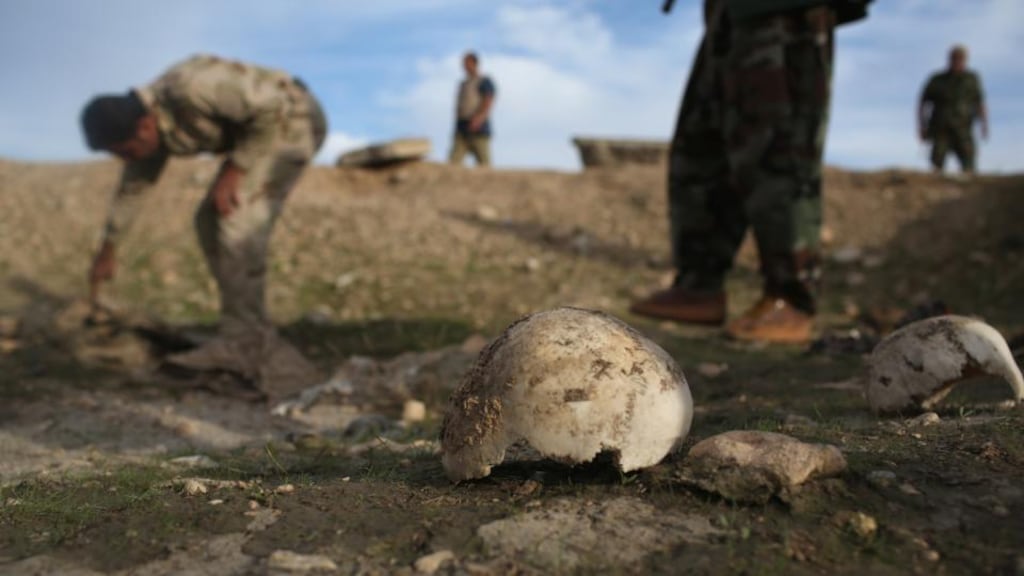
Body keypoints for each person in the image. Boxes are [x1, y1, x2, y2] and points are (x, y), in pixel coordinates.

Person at [631, 0, 871, 344]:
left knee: (778, 149)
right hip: (728, 13)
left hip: (786, 11)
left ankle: (791, 298)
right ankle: (699, 285)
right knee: (701, 146)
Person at [81, 54, 327, 385]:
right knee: (209, 221)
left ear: (145, 126)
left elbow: (270, 105)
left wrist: (236, 168)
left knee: (236, 217)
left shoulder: (191, 89)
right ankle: (242, 331)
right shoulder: (148, 134)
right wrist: (107, 249)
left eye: (125, 151)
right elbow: (132, 191)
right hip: (262, 131)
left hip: (291, 119)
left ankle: (246, 343)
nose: (126, 160)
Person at [918, 45, 988, 174]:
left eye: (960, 59)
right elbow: (922, 103)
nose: (957, 62)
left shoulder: (971, 79)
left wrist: (984, 124)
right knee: (936, 165)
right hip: (941, 128)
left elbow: (979, 102)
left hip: (964, 128)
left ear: (965, 60)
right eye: (954, 58)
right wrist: (921, 126)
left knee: (969, 165)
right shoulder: (937, 80)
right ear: (949, 59)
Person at [448, 52, 496, 167]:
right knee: (453, 163)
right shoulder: (463, 84)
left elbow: (488, 100)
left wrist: (479, 118)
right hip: (462, 128)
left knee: (484, 164)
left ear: (474, 63)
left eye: (467, 63)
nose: (464, 66)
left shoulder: (484, 81)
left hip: (479, 128)